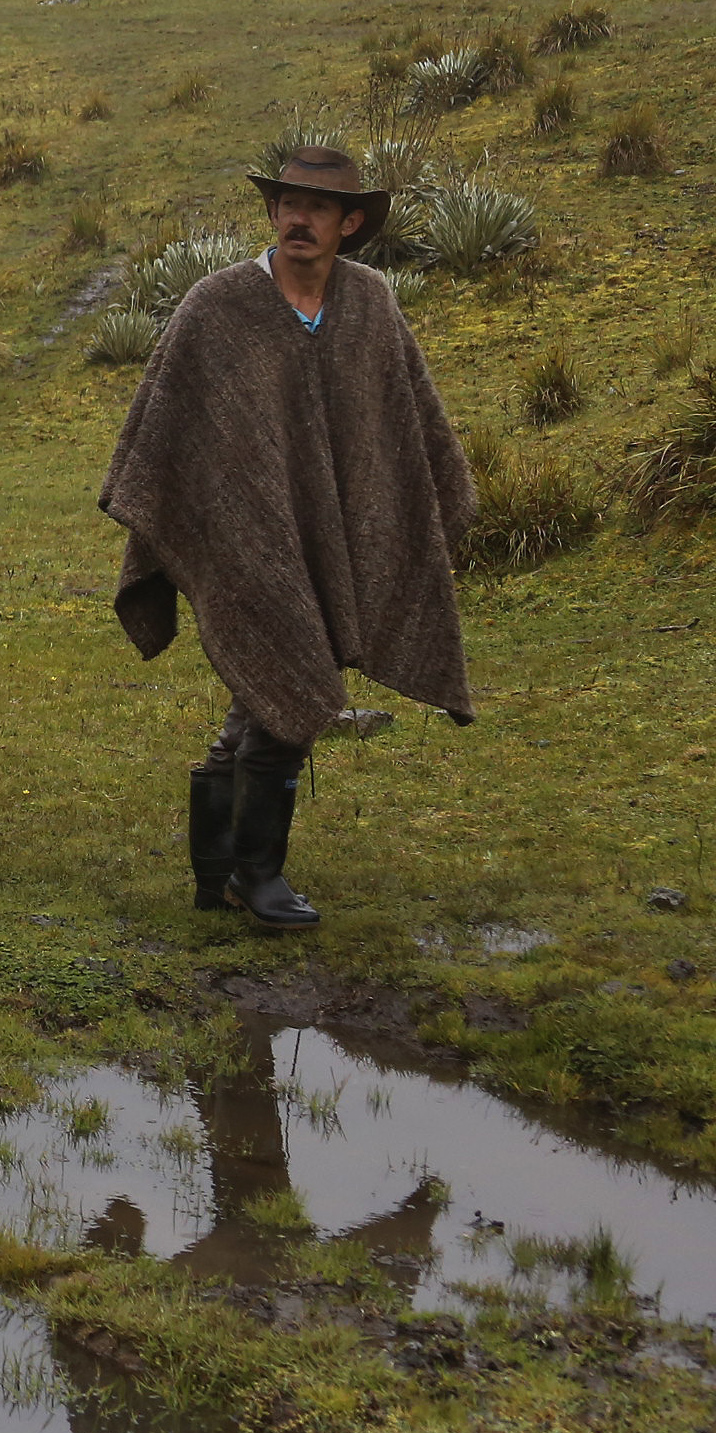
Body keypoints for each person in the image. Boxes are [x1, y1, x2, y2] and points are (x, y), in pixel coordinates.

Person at [97, 144, 474, 928]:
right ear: (273, 212)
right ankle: (256, 876)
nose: (299, 218)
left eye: (319, 208)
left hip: (337, 525)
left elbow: (405, 425)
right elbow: (168, 430)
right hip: (245, 535)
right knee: (284, 668)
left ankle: (218, 871)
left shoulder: (370, 303)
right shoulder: (218, 305)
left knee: (257, 698)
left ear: (351, 221)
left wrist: (414, 510)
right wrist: (220, 519)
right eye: (288, 204)